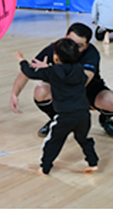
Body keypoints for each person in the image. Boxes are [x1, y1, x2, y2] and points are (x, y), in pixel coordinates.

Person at [10, 22, 113, 139]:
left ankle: (105, 120)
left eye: (78, 45)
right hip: (63, 92)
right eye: (70, 41)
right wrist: (14, 93)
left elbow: (81, 82)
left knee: (111, 102)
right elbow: (27, 71)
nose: (71, 46)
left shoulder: (91, 54)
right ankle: (55, 118)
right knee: (41, 90)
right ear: (65, 36)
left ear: (86, 46)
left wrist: (50, 70)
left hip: (87, 91)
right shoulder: (56, 48)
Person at [16, 38, 99, 177]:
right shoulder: (80, 69)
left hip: (64, 117)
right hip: (83, 115)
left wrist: (21, 60)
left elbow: (29, 72)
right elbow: (80, 79)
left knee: (53, 142)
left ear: (55, 58)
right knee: (83, 139)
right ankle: (93, 162)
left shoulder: (52, 72)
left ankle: (45, 168)